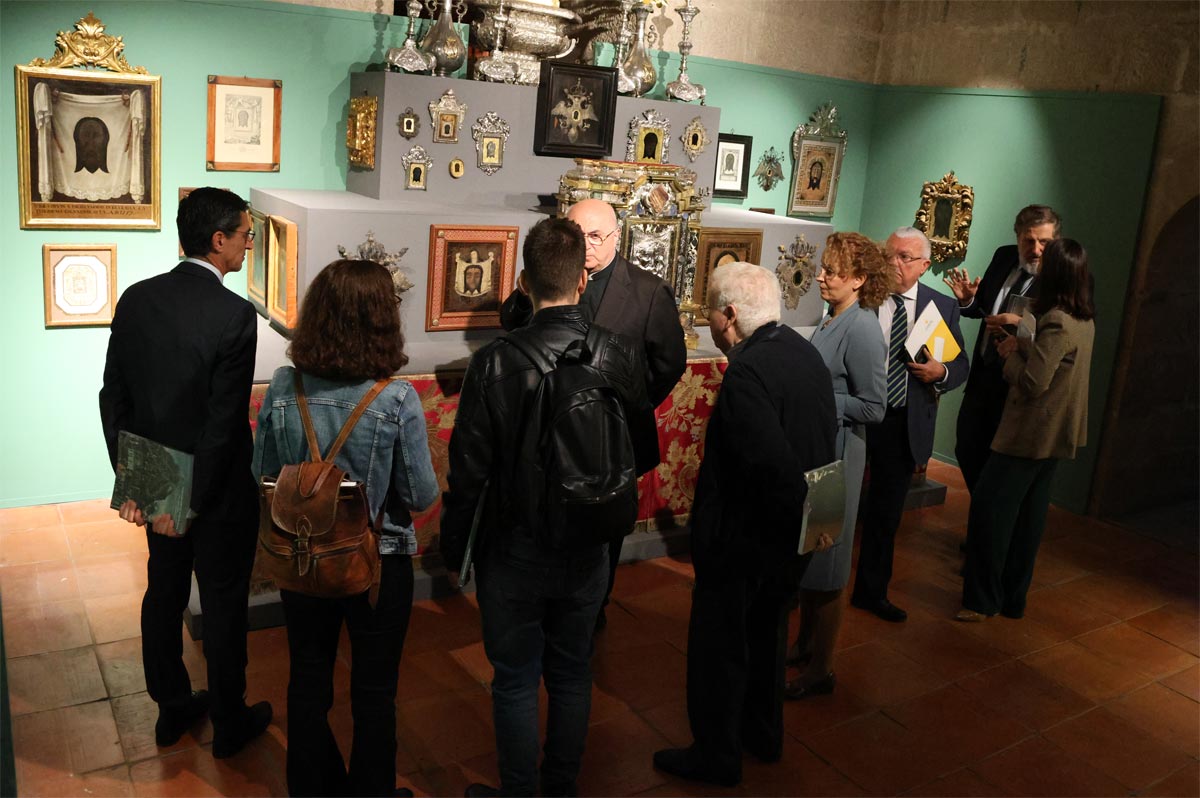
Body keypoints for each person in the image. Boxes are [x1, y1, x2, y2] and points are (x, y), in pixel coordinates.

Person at [441, 217, 654, 798]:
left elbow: (469, 472)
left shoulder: (495, 361)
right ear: (582, 280)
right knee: (571, 673)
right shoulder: (617, 352)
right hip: (589, 541)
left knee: (513, 679)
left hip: (515, 545)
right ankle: (560, 788)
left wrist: (453, 548)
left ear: (523, 281)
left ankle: (519, 792)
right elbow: (636, 447)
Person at [252, 259, 438, 797]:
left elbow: (262, 476)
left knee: (307, 681)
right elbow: (421, 495)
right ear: (383, 320)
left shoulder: (285, 387)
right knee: (375, 691)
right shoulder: (396, 399)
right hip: (377, 561)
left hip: (304, 556)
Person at [98, 187, 272, 758]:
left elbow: (113, 397)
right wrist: (190, 501)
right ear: (218, 241)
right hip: (216, 494)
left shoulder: (136, 299)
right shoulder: (234, 314)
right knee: (223, 607)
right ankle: (228, 721)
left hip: (155, 480)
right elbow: (223, 424)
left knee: (164, 594)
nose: (250, 242)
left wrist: (137, 483)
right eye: (246, 233)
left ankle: (172, 707)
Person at [653, 262, 837, 788]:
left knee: (721, 648)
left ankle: (716, 755)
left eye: (710, 311)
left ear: (729, 315)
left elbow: (768, 465)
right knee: (768, 635)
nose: (709, 323)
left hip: (746, 541)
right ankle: (764, 733)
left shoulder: (747, 374)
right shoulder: (805, 354)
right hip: (795, 534)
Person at [500, 198, 686, 630]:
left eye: (596, 236)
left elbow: (669, 363)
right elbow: (511, 321)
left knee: (606, 525)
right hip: (547, 433)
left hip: (614, 438)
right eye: (577, 234)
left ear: (617, 238)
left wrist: (624, 407)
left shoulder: (648, 292)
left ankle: (595, 605)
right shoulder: (553, 273)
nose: (586, 244)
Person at [958, 238, 1095, 621]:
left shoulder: (1057, 321)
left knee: (990, 512)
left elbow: (1034, 382)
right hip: (1056, 434)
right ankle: (1013, 600)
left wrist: (1009, 354)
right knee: (1029, 520)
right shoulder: (1083, 318)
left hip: (1030, 433)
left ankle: (982, 600)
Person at [786, 232, 888, 699]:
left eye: (832, 271)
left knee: (826, 565)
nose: (822, 277)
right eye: (824, 268)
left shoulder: (863, 326)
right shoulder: (834, 317)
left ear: (860, 279)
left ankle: (822, 669)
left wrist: (819, 396)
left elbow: (874, 406)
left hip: (839, 457)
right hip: (820, 453)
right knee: (811, 555)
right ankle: (806, 644)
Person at [850, 227, 969, 622]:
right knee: (838, 502)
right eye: (890, 254)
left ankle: (871, 592)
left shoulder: (941, 307)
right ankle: (812, 585)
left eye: (904, 257)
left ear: (925, 265)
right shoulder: (864, 295)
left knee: (885, 515)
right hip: (857, 415)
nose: (894, 263)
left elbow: (960, 364)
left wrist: (942, 372)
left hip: (903, 421)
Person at [943, 205, 1060, 494]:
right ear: (1018, 237)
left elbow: (1058, 333)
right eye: (1029, 241)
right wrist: (968, 301)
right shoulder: (1004, 256)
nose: (1036, 249)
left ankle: (989, 531)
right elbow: (985, 309)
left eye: (1045, 242)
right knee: (967, 450)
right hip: (983, 376)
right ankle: (985, 523)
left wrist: (1019, 323)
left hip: (1019, 385)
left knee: (1002, 468)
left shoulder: (1061, 277)